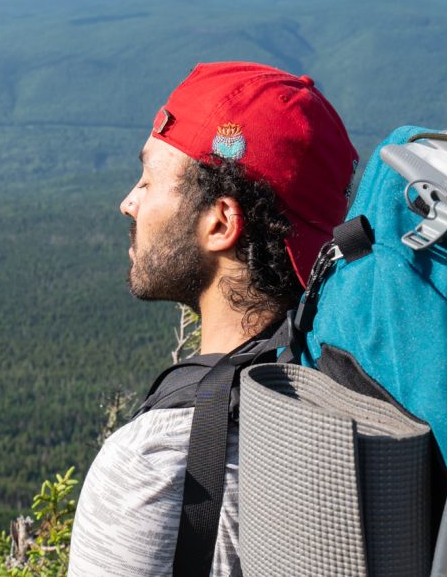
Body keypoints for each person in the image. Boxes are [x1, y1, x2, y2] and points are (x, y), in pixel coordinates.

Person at [67, 62, 359, 576]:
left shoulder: (153, 463)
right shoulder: (361, 393)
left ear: (220, 222)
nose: (128, 203)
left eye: (148, 180)